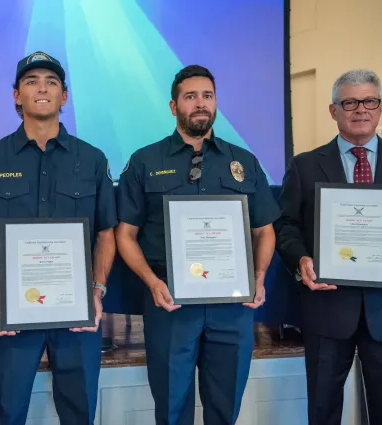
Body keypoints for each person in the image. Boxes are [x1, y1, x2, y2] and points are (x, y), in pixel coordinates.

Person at [115, 65, 278, 425]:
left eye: (207, 95)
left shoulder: (244, 162)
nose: (200, 103)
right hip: (170, 301)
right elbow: (125, 235)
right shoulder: (145, 161)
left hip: (232, 306)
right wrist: (151, 281)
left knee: (225, 408)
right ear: (174, 106)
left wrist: (259, 276)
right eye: (190, 96)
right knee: (172, 408)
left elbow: (264, 230)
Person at [0, 51, 117, 425]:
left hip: (77, 312)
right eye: (31, 81)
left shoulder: (92, 159)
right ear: (17, 95)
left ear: (65, 96)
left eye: (51, 81)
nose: (42, 88)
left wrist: (96, 291)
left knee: (80, 412)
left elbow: (106, 233)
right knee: (6, 410)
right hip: (12, 313)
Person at [274, 69, 382, 425]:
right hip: (327, 306)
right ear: (334, 110)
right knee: (323, 409)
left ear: (380, 108)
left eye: (369, 101)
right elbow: (286, 226)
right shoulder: (303, 166)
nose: (360, 109)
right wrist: (300, 258)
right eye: (349, 102)